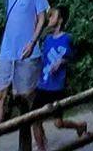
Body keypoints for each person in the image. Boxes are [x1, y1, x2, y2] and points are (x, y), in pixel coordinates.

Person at [0, 0, 50, 149]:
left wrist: (32, 42)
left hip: (27, 52)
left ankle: (40, 142)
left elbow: (42, 18)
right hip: (7, 52)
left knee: (29, 102)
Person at [37, 7, 88, 142]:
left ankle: (79, 126)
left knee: (58, 123)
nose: (49, 19)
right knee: (34, 118)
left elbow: (74, 57)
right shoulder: (46, 39)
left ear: (60, 20)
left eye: (52, 16)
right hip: (43, 83)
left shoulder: (67, 38)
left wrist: (61, 61)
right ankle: (41, 144)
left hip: (56, 86)